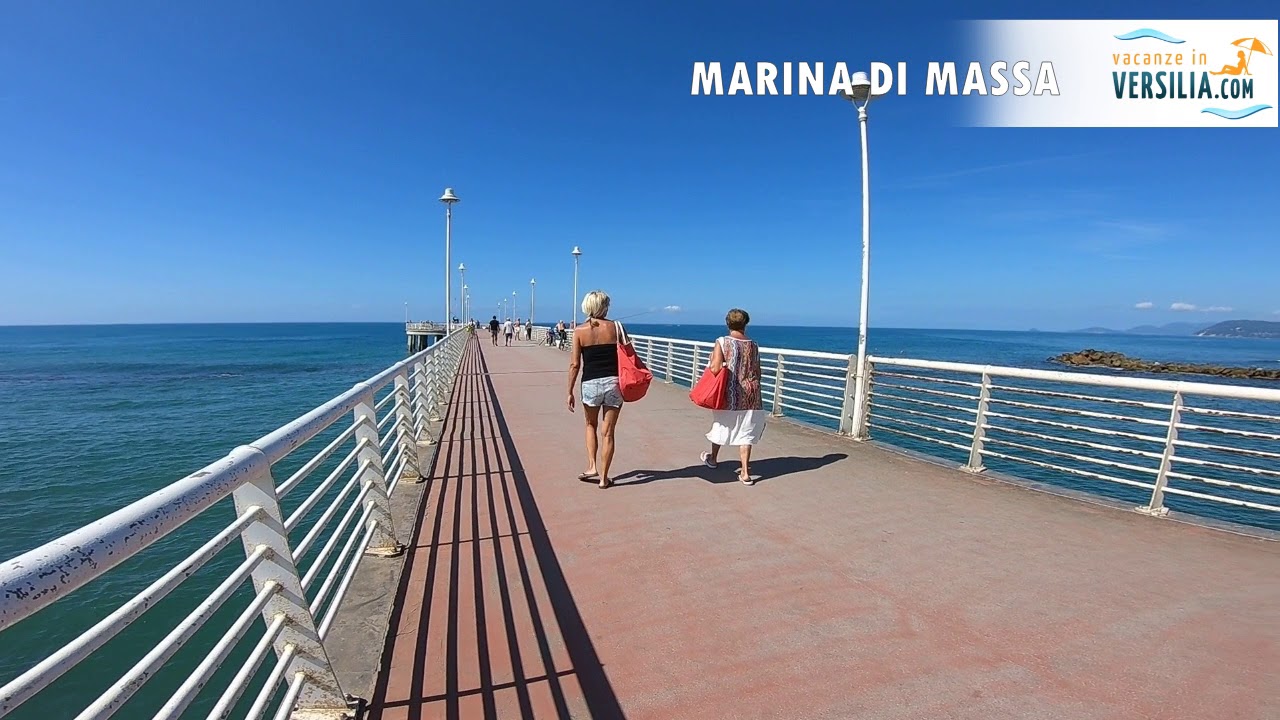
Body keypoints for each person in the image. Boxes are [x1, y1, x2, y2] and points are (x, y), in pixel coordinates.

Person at [566, 291, 626, 489]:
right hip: (614, 383)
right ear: (603, 307)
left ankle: (592, 466)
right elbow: (628, 354)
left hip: (590, 383)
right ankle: (604, 478)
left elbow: (575, 364)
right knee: (608, 432)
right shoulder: (617, 327)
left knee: (590, 424)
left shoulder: (579, 331)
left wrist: (569, 391)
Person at [700, 308, 765, 485]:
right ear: (746, 324)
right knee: (746, 432)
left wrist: (713, 358)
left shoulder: (721, 342)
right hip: (751, 394)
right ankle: (745, 472)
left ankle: (713, 459)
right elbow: (758, 372)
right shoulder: (753, 345)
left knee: (722, 425)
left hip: (728, 393)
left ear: (728, 323)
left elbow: (715, 369)